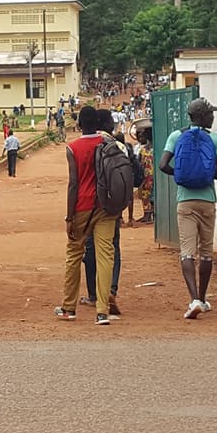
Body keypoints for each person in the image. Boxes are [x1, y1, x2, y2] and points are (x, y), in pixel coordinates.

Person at [159, 97, 217, 319]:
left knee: (187, 251)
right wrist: (203, 175)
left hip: (185, 201)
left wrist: (181, 175)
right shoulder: (216, 139)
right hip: (207, 201)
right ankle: (203, 299)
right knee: (206, 252)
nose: (213, 117)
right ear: (204, 116)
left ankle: (194, 299)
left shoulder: (176, 136)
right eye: (211, 114)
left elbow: (162, 165)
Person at [55, 106, 116, 326]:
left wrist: (69, 217)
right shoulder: (107, 143)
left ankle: (68, 307)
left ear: (79, 124)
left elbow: (73, 184)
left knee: (74, 254)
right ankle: (102, 311)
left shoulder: (73, 148)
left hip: (82, 206)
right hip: (106, 206)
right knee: (105, 256)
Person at [80, 110, 125, 315]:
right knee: (112, 248)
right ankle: (111, 290)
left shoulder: (87, 144)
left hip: (89, 205)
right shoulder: (119, 146)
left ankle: (93, 295)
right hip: (112, 205)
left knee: (90, 249)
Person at [136, 121, 155, 223]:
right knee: (153, 195)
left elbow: (139, 163)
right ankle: (153, 214)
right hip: (155, 176)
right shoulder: (158, 149)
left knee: (146, 195)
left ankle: (147, 215)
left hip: (146, 176)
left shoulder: (143, 150)